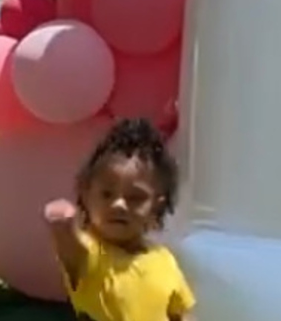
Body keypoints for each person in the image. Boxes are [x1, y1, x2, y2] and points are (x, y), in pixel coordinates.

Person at [43, 118, 195, 321]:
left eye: (135, 198)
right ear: (86, 195)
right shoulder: (91, 256)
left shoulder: (164, 260)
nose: (119, 205)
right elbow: (70, 249)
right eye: (107, 194)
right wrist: (62, 227)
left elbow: (181, 315)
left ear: (156, 205)